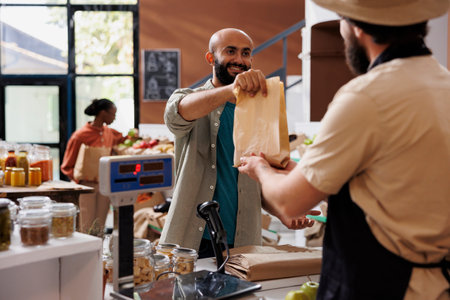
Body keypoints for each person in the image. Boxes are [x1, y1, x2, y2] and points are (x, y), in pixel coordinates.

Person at [238, 1, 450, 299]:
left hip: (382, 284)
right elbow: (393, 182)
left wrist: (261, 169)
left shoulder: (365, 96)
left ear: (357, 26)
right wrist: (302, 174)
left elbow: (289, 203)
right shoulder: (444, 84)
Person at [160, 28, 316, 258]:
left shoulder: (262, 112)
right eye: (230, 51)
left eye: (246, 53)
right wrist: (231, 90)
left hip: (244, 241)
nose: (239, 60)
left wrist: (282, 211)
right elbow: (178, 113)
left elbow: (256, 184)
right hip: (191, 240)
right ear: (211, 58)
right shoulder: (188, 98)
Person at [61, 98, 127, 233]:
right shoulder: (80, 136)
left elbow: (123, 139)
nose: (114, 118)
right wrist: (80, 180)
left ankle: (99, 252)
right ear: (103, 113)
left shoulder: (109, 132)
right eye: (113, 114)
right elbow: (67, 165)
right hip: (86, 186)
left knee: (99, 225)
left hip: (104, 185)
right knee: (85, 224)